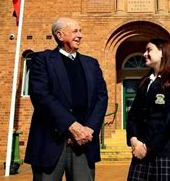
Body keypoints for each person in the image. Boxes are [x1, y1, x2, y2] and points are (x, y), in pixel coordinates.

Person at [24, 17, 108, 181]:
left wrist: (89, 129)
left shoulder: (91, 64)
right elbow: (41, 96)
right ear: (60, 35)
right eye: (75, 31)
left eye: (80, 31)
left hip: (84, 142)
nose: (80, 35)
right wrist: (72, 126)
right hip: (51, 141)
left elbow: (102, 97)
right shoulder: (41, 60)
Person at [126, 38, 170, 181]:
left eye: (149, 50)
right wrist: (134, 141)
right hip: (140, 152)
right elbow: (133, 115)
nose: (144, 54)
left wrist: (150, 147)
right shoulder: (144, 81)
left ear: (162, 52)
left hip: (165, 152)